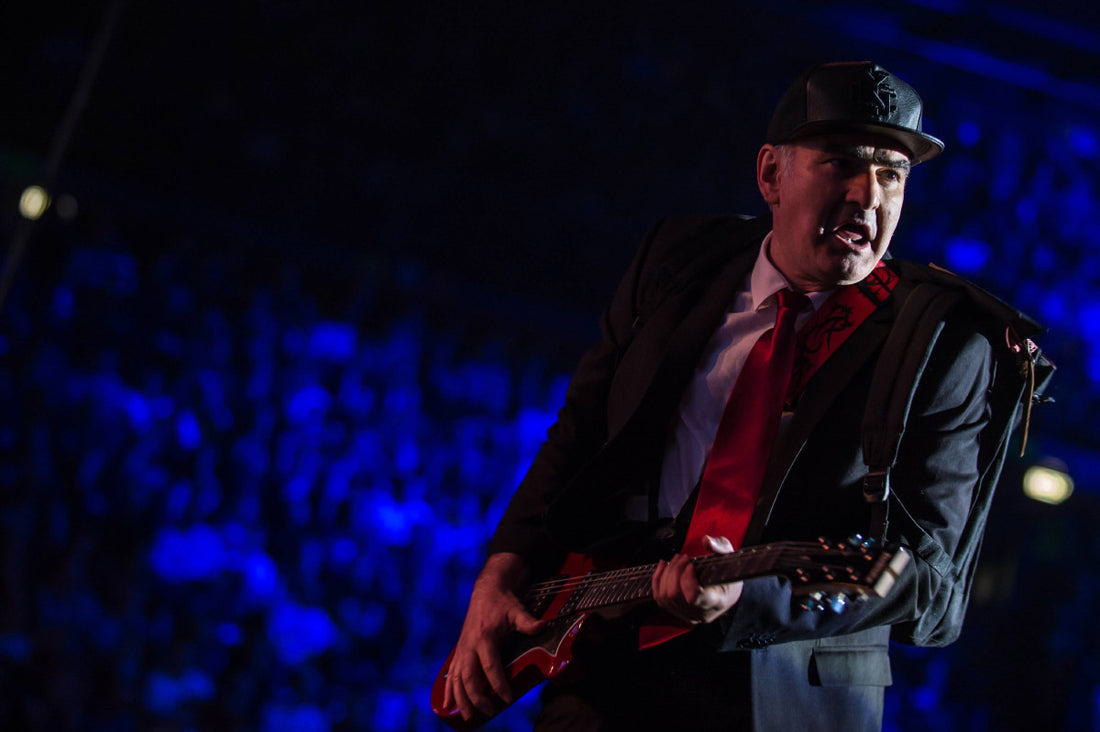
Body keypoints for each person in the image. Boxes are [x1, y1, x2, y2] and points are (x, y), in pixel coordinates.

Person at [442, 61, 1006, 731]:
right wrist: (501, 571)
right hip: (605, 661)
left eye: (892, 174)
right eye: (840, 163)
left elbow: (932, 589)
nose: (868, 195)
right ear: (771, 174)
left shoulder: (943, 348)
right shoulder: (678, 261)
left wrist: (749, 599)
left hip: (786, 700)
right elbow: (579, 433)